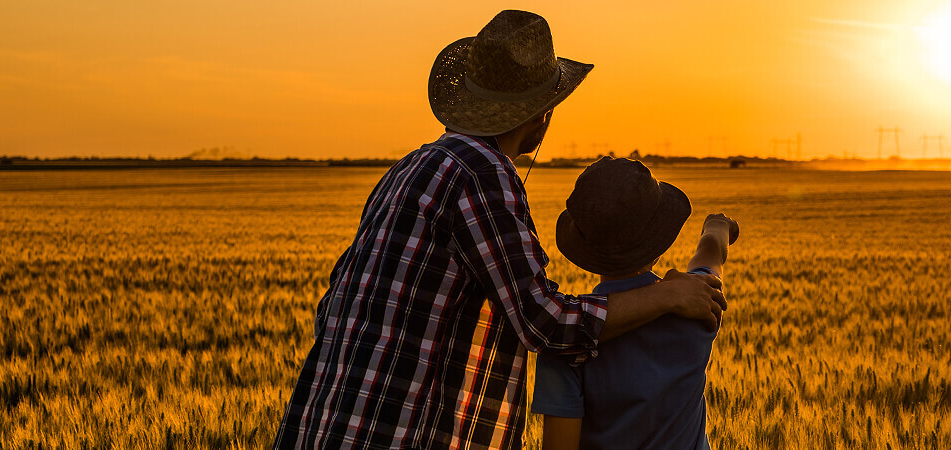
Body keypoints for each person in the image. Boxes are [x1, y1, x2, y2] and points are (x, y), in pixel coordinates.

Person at [272, 11, 727, 449]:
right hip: (397, 434)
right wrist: (669, 295)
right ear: (540, 115)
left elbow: (334, 299)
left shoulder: (410, 166)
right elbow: (543, 322)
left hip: (326, 422)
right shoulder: (483, 174)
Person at [529, 158, 740, 450]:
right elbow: (710, 253)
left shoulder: (565, 339)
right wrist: (719, 226)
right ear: (658, 241)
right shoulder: (697, 303)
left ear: (587, 250)